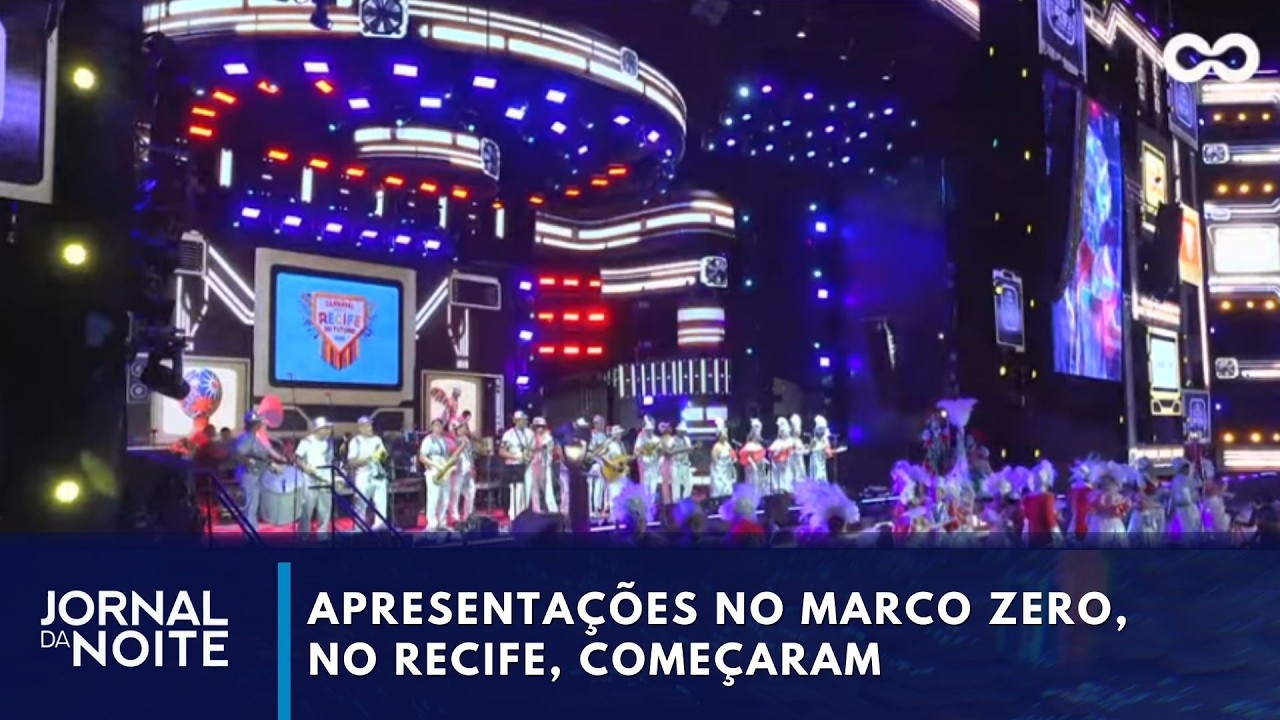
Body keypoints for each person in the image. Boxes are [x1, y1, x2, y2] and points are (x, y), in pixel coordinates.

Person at [231, 411, 286, 531]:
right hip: (249, 475)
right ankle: (250, 533)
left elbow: (263, 454)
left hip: (255, 475)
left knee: (253, 505)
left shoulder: (253, 437)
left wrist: (274, 462)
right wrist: (249, 463)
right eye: (259, 422)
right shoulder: (247, 438)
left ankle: (252, 531)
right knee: (250, 505)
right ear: (255, 424)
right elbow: (238, 453)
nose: (261, 424)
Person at [293, 417, 335, 539]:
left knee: (325, 508)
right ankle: (303, 535)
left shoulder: (329, 443)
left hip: (326, 479)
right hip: (310, 479)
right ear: (318, 429)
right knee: (307, 508)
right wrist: (305, 468)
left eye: (329, 428)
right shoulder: (307, 441)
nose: (328, 431)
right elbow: (297, 458)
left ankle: (322, 534)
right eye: (325, 428)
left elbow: (330, 460)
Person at [347, 416, 389, 530]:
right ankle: (359, 527)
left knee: (381, 502)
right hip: (363, 475)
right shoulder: (355, 441)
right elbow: (351, 462)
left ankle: (380, 526)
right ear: (360, 428)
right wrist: (368, 459)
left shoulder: (377, 440)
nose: (370, 428)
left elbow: (384, 456)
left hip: (378, 474)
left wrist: (382, 456)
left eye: (370, 425)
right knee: (361, 502)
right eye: (366, 426)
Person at [499, 411, 534, 522]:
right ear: (515, 421)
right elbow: (501, 451)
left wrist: (529, 455)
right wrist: (516, 456)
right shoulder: (508, 434)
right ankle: (514, 517)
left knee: (527, 493)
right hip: (514, 467)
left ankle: (524, 516)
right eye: (520, 420)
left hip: (527, 466)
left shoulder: (530, 433)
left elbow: (532, 448)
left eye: (524, 420)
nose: (523, 422)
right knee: (517, 493)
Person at [419, 418, 452, 531]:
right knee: (434, 497)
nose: (438, 427)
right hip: (433, 471)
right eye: (436, 425)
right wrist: (434, 465)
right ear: (432, 427)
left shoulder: (445, 440)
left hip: (445, 471)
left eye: (440, 425)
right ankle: (432, 523)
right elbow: (422, 457)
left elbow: (448, 455)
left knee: (445, 497)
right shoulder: (428, 440)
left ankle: (442, 522)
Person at [1022, 461, 1063, 548]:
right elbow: (1050, 520)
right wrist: (1059, 537)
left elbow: (1026, 519)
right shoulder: (1048, 497)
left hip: (1032, 537)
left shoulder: (1027, 498)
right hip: (1046, 538)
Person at [528, 417, 558, 513]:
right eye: (536, 426)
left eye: (541, 426)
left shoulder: (548, 437)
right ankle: (536, 510)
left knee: (547, 489)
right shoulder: (530, 437)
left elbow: (540, 446)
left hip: (545, 466)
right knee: (534, 489)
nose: (539, 428)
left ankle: (553, 511)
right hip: (533, 465)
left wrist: (537, 438)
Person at [450, 419, 477, 525]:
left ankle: (468, 515)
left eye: (465, 427)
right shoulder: (453, 440)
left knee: (471, 491)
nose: (465, 429)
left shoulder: (467, 439)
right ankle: (454, 518)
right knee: (455, 494)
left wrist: (473, 467)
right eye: (462, 427)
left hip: (468, 469)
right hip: (458, 470)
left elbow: (470, 455)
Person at [634, 416, 662, 506]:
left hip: (654, 467)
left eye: (650, 430)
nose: (649, 432)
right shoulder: (641, 438)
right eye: (647, 430)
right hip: (645, 467)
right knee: (645, 487)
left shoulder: (657, 439)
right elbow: (636, 451)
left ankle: (651, 505)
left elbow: (661, 453)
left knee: (653, 488)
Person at [709, 421, 737, 501]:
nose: (726, 435)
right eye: (724, 434)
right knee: (719, 489)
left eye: (726, 434)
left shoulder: (727, 444)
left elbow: (732, 454)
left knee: (728, 491)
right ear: (719, 436)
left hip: (727, 470)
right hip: (719, 471)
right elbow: (714, 461)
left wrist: (733, 458)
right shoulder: (716, 447)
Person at [768, 417, 795, 496]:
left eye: (785, 431)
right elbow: (770, 454)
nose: (784, 433)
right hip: (778, 465)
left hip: (788, 464)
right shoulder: (777, 442)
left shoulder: (790, 441)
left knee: (787, 477)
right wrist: (779, 451)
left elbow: (793, 451)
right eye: (782, 431)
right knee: (778, 480)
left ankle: (787, 491)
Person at [587, 416, 608, 518]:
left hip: (600, 464)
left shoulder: (602, 435)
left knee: (599, 487)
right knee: (591, 487)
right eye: (600, 423)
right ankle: (591, 509)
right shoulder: (592, 435)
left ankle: (597, 508)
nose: (602, 425)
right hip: (593, 464)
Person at [740, 418, 766, 494]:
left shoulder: (759, 445)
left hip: (760, 468)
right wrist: (753, 464)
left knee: (760, 484)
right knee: (753, 484)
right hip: (752, 469)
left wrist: (765, 461)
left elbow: (761, 456)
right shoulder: (749, 446)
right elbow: (748, 457)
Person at [808, 416, 834, 482]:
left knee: (822, 475)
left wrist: (827, 451)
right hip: (814, 461)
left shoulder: (825, 440)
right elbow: (810, 450)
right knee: (815, 475)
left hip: (821, 461)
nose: (821, 431)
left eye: (822, 429)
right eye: (820, 429)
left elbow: (828, 451)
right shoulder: (814, 440)